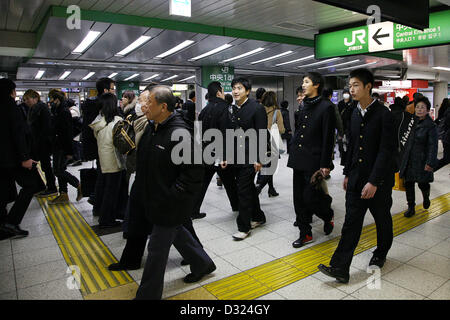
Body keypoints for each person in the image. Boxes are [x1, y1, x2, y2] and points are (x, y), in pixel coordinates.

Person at [132, 86, 215, 300]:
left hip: (169, 203)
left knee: (156, 250)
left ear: (163, 106)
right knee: (178, 234)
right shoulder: (154, 127)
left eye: (149, 102)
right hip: (155, 199)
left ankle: (147, 296)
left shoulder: (180, 133)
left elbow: (195, 172)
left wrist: (173, 196)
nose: (144, 106)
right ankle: (203, 264)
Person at [318, 68, 396, 283]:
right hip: (356, 177)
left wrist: (374, 181)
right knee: (351, 223)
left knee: (382, 219)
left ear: (368, 87)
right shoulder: (353, 112)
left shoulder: (383, 114)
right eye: (349, 85)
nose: (351, 90)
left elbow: (386, 151)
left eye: (356, 85)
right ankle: (340, 268)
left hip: (378, 182)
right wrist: (346, 173)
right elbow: (351, 146)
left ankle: (381, 252)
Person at [287, 72, 336, 248]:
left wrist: (325, 164)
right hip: (298, 158)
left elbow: (327, 137)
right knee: (298, 199)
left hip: (314, 160)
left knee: (310, 197)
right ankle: (305, 232)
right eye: (303, 82)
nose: (303, 85)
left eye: (306, 82)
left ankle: (327, 213)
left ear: (316, 85)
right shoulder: (303, 105)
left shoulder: (326, 107)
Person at [222, 77, 267, 240]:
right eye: (234, 88)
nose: (235, 91)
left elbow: (262, 134)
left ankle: (244, 227)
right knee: (247, 188)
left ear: (247, 91)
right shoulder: (232, 109)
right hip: (235, 156)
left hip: (250, 157)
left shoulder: (257, 108)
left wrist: (259, 159)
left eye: (239, 88)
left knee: (242, 190)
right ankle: (259, 217)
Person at [0, 79, 42, 238]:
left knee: (3, 189)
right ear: (11, 92)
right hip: (13, 158)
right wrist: (25, 157)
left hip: (2, 160)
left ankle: (3, 225)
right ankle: (11, 222)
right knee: (31, 185)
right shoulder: (11, 108)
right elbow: (18, 134)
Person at [191, 81, 239, 220]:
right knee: (230, 182)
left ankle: (193, 210)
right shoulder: (226, 108)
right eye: (223, 91)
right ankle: (236, 206)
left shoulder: (204, 111)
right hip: (220, 153)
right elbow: (227, 133)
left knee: (203, 183)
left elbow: (198, 133)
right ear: (219, 93)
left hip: (206, 152)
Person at [89, 93, 128, 228]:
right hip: (114, 161)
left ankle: (106, 215)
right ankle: (106, 220)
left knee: (107, 189)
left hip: (104, 160)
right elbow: (122, 144)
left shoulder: (100, 121)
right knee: (111, 192)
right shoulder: (116, 122)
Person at [80, 77, 116, 213]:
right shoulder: (102, 106)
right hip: (102, 148)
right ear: (106, 90)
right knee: (105, 179)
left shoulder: (90, 106)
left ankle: (97, 204)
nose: (114, 92)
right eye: (112, 89)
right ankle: (100, 206)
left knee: (102, 177)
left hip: (96, 148)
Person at [400, 96, 438, 217]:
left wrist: (430, 162)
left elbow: (433, 146)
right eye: (417, 107)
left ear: (427, 110)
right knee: (409, 183)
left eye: (422, 107)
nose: (419, 109)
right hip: (409, 159)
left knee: (422, 183)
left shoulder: (431, 126)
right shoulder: (411, 122)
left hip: (422, 160)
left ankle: (426, 197)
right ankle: (411, 207)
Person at [47, 89, 82, 205]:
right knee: (60, 169)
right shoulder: (57, 110)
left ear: (56, 99)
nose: (50, 101)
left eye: (51, 99)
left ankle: (77, 184)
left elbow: (67, 133)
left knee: (57, 170)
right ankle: (63, 193)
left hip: (62, 146)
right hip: (57, 145)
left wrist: (69, 151)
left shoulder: (64, 112)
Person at [22, 89, 57, 197]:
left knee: (46, 165)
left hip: (43, 142)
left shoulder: (41, 108)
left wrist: (41, 141)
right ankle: (43, 186)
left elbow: (46, 127)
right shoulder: (33, 109)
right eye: (25, 99)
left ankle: (52, 188)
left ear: (35, 98)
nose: (26, 101)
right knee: (40, 165)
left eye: (28, 99)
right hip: (37, 142)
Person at [255, 91, 285, 197]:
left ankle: (271, 189)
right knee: (271, 167)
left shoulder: (258, 108)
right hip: (271, 142)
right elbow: (281, 129)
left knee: (266, 165)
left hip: (258, 140)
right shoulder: (277, 112)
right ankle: (258, 189)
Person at [338, 89, 354, 163]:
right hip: (341, 125)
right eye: (344, 93)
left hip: (349, 125)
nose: (346, 95)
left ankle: (348, 153)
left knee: (348, 140)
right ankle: (342, 153)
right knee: (340, 140)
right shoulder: (340, 103)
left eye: (347, 93)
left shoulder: (352, 103)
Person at [67, 99, 83, 167]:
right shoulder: (76, 109)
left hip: (75, 131)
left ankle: (78, 159)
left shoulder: (72, 111)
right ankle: (76, 158)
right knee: (76, 145)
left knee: (75, 146)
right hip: (78, 131)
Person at [435, 106, 450, 171]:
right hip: (448, 139)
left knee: (446, 159)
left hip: (447, 138)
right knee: (446, 159)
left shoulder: (447, 111)